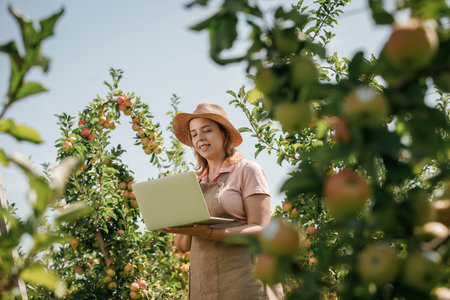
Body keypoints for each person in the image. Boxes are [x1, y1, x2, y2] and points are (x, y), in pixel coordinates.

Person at [163, 103, 284, 299]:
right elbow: (183, 246)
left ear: (224, 133)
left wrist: (210, 233)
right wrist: (179, 226)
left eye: (207, 130)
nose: (200, 138)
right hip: (205, 285)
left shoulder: (247, 170)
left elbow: (261, 229)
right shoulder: (192, 182)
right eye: (194, 134)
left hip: (246, 280)